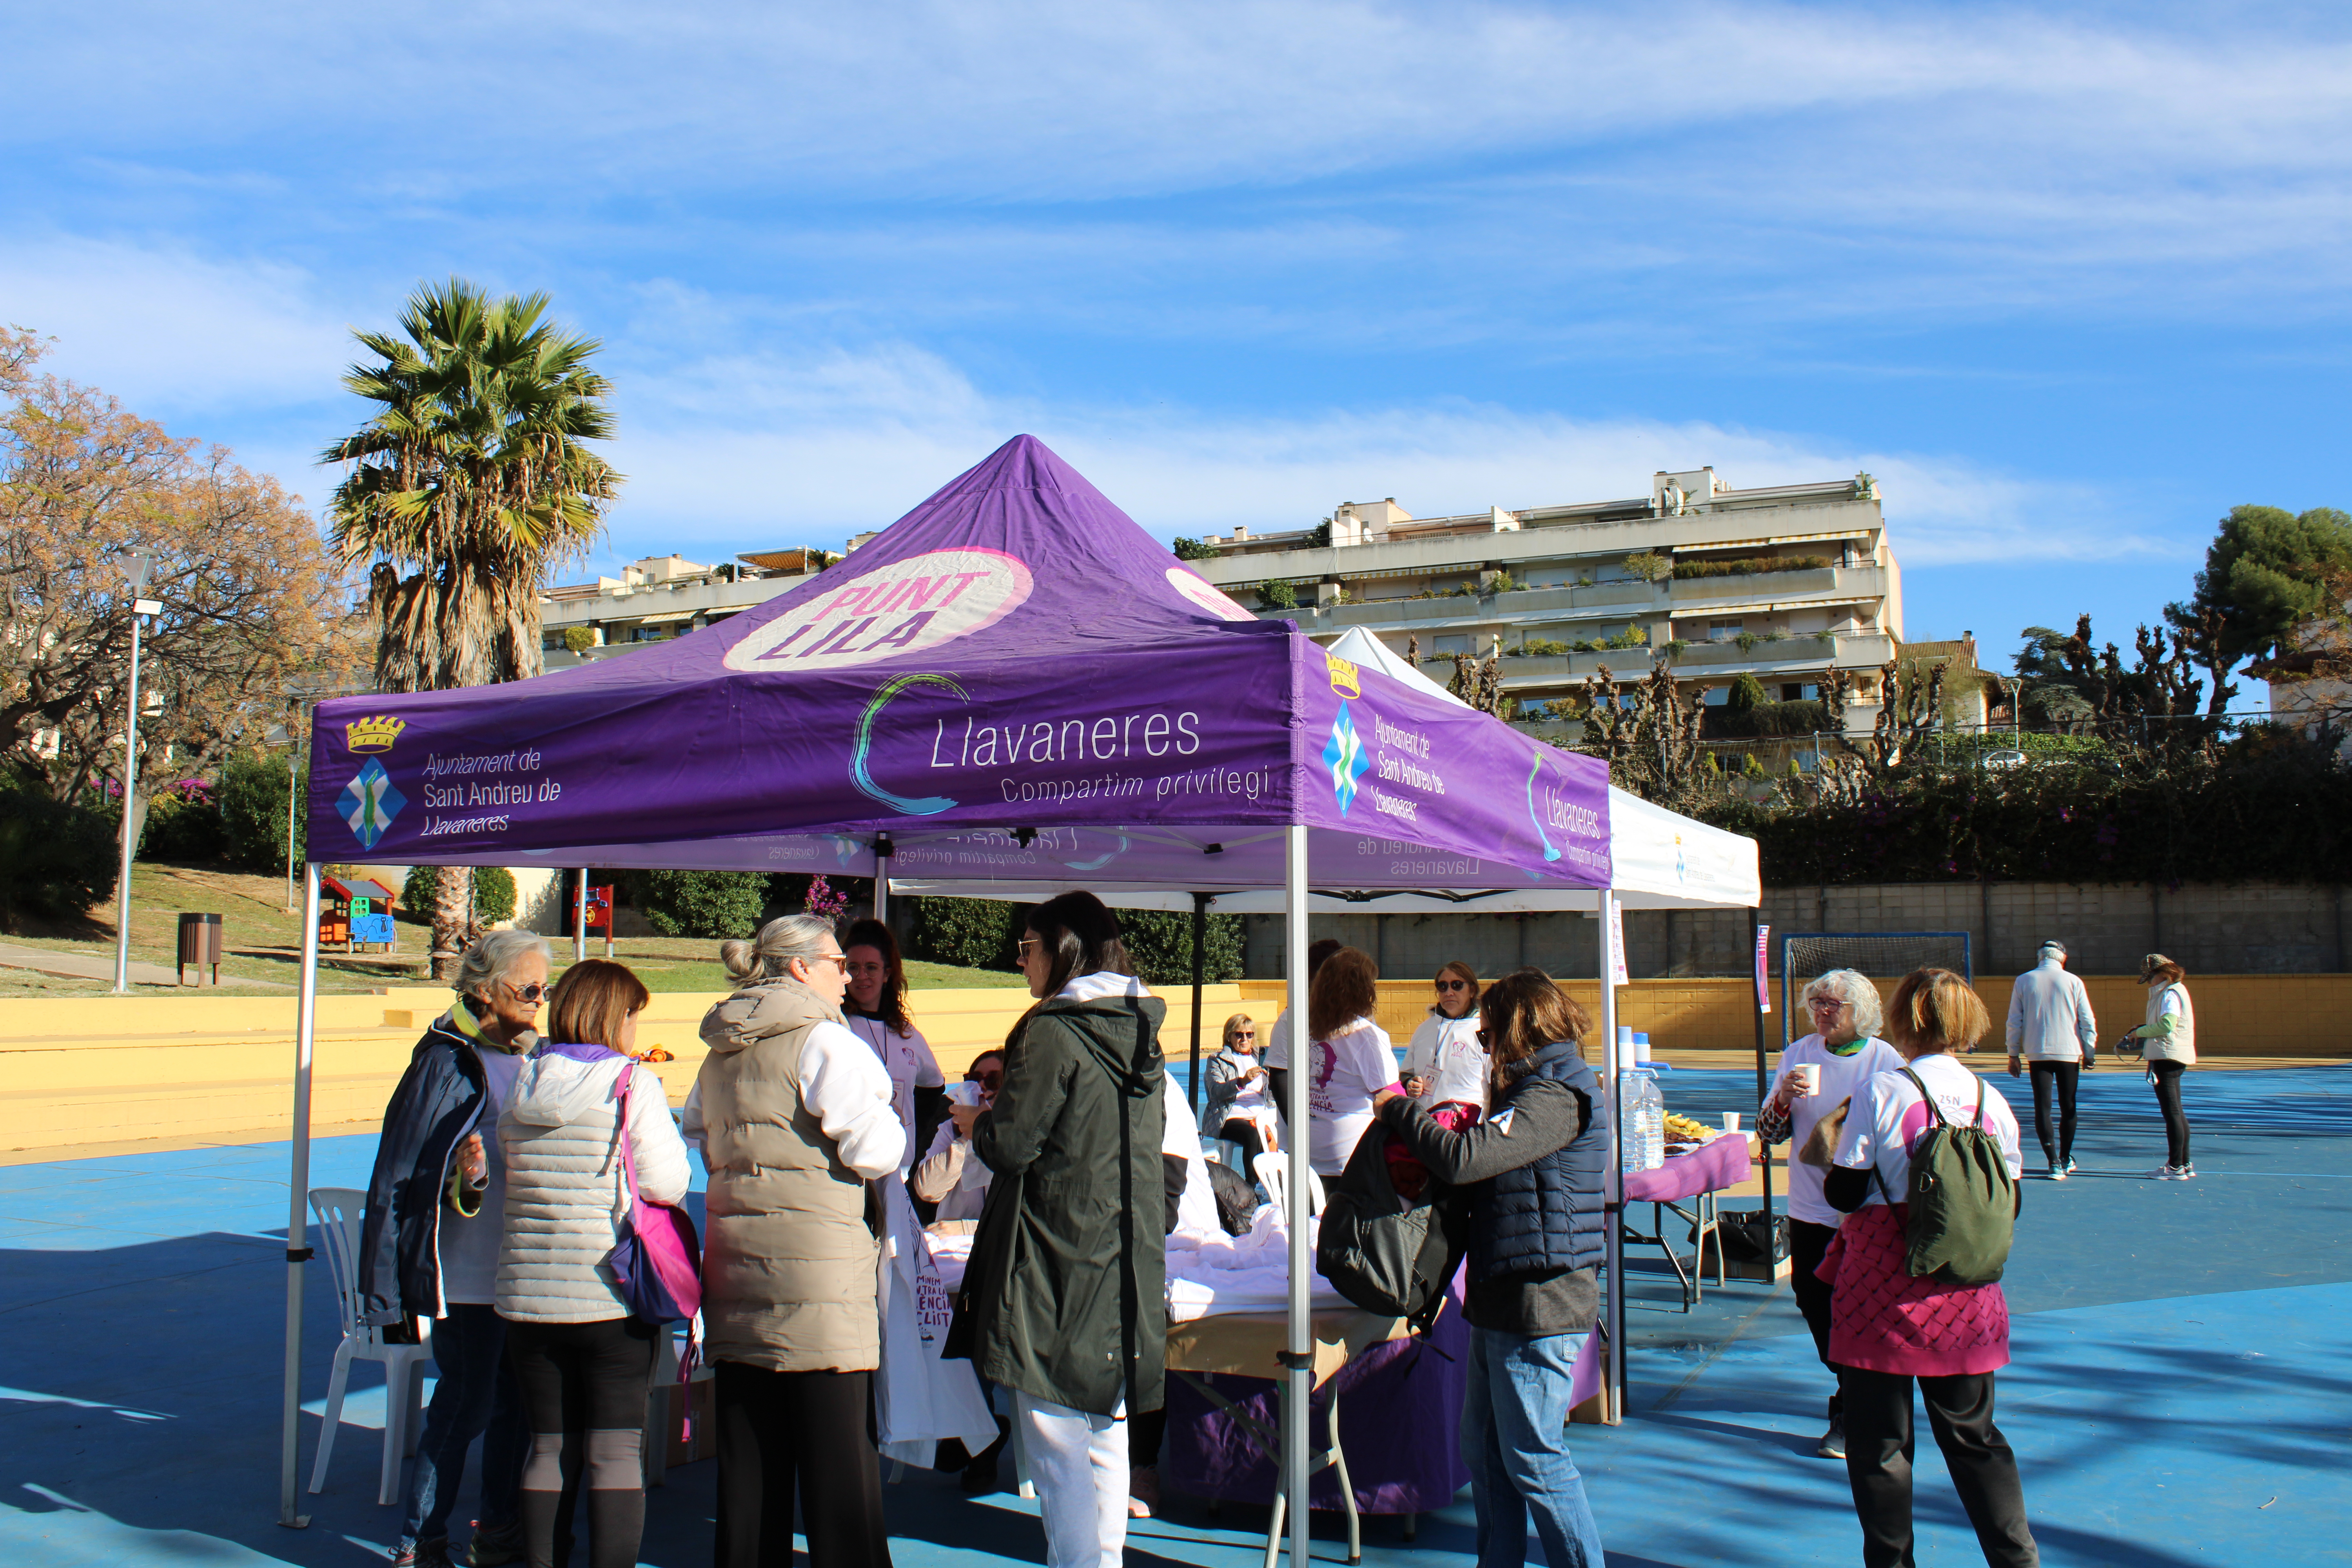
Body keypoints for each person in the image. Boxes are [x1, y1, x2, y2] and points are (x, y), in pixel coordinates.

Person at [951, 891, 1166, 1568]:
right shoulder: (1139, 1029)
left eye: (1026, 948)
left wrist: (976, 1126)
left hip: (1053, 1251)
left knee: (1055, 1435)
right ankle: (1101, 1560)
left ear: (1063, 947)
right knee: (1102, 1425)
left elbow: (1013, 1143)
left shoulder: (1053, 1029)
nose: (1021, 963)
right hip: (1120, 1249)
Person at [1371, 968, 1610, 1568]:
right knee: (1485, 1449)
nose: (1486, 1050)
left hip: (1540, 1299)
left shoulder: (1554, 1094)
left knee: (1534, 1456)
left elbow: (1464, 1158)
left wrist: (1401, 1112)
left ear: (1516, 1029)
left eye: (1488, 1037)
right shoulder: (1535, 1090)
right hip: (1505, 1291)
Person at [691, 915, 906, 1568]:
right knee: (839, 1474)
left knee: (750, 1471)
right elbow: (879, 1150)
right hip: (817, 1285)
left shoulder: (720, 1047)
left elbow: (700, 1135)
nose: (848, 975)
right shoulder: (825, 1043)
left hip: (736, 1269)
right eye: (838, 962)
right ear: (800, 967)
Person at [1817, 967, 2037, 1568]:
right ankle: (2017, 1559)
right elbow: (2009, 1199)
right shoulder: (1994, 1103)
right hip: (1965, 1293)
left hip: (1882, 1293)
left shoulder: (1884, 1092)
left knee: (1881, 1445)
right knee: (1976, 1439)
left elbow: (1843, 1193)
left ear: (1902, 1021)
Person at [358, 929, 548, 1568]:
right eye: (529, 989)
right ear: (486, 991)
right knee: (464, 1406)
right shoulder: (445, 1060)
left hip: (518, 1266)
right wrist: (461, 1179)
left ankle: (496, 1529)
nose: (539, 1001)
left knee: (517, 1404)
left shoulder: (527, 1054)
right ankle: (419, 1542)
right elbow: (403, 1174)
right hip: (466, 1272)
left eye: (544, 989)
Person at [495, 959, 691, 1568]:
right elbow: (667, 1183)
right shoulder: (632, 1084)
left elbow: (509, 1162)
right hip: (609, 1294)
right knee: (613, 1450)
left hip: (529, 1295)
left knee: (548, 1447)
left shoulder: (524, 1081)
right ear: (617, 1016)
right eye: (635, 1015)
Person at [1756, 969, 1904, 1462]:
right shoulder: (1798, 1054)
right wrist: (1783, 1099)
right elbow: (1769, 1133)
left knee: (1859, 1309)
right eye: (1816, 1001)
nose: (1821, 1011)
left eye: (1832, 1004)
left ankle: (1851, 1410)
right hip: (1808, 1207)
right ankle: (1852, 1387)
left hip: (1863, 1210)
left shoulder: (1886, 1061)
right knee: (1812, 1298)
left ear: (1859, 1011)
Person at [840, 917, 951, 1186]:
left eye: (871, 968)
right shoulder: (836, 1027)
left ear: (887, 975)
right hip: (849, 1174)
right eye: (853, 967)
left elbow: (933, 1087)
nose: (861, 976)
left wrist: (912, 1131)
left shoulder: (907, 1035)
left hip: (898, 1175)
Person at [1302, 946, 1399, 1177]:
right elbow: (1393, 1100)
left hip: (1308, 1152)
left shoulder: (1304, 1025)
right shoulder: (1366, 1035)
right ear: (1363, 990)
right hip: (1351, 1158)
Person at [2005, 940, 2097, 1180]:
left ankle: (2053, 1161)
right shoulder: (2074, 981)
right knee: (2069, 1106)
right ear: (2063, 958)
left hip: (2038, 1052)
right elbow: (2087, 1020)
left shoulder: (2024, 980)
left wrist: (2013, 1053)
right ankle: (2066, 1158)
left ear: (2040, 957)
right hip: (2068, 1052)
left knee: (2042, 1108)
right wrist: (2089, 1052)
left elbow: (2015, 1020)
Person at [2122, 954, 2197, 1180]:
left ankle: (2175, 1167)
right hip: (2173, 1054)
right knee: (2177, 1112)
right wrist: (2145, 1027)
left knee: (2172, 1112)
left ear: (2163, 975)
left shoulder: (2170, 993)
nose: (2149, 983)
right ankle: (2184, 1162)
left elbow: (2167, 1024)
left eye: (2151, 978)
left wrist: (2140, 1033)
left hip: (2167, 1056)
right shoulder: (2174, 991)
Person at [1261, 936, 1343, 1139]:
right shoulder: (1293, 1017)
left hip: (1348, 1145)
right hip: (1306, 1145)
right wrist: (1303, 1135)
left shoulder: (1360, 1020)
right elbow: (1280, 1078)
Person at [910, 1050, 1004, 1224]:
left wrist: (965, 1228)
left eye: (993, 1080)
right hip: (951, 1246)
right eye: (975, 1079)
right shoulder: (951, 1127)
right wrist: (969, 1137)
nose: (982, 1086)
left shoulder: (1018, 1135)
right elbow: (928, 1189)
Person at [1402, 961, 1489, 1114]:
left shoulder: (1484, 1030)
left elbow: (1497, 1083)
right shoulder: (1424, 1029)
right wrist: (1410, 1083)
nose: (1449, 992)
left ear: (1472, 990)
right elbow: (1405, 1072)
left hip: (1467, 1129)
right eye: (1443, 986)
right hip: (1424, 1125)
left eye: (1457, 985)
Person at [1202, 1013, 1278, 1164]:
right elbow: (1216, 1092)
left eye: (1249, 1035)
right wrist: (1241, 1082)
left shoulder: (1261, 1058)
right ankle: (1250, 1184)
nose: (1245, 1039)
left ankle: (1277, 1180)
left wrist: (1273, 1083)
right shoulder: (1217, 1060)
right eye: (1239, 1035)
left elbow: (1271, 1097)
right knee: (1254, 1134)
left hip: (1260, 1115)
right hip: (1229, 1116)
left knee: (1286, 1132)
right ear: (1229, 1036)